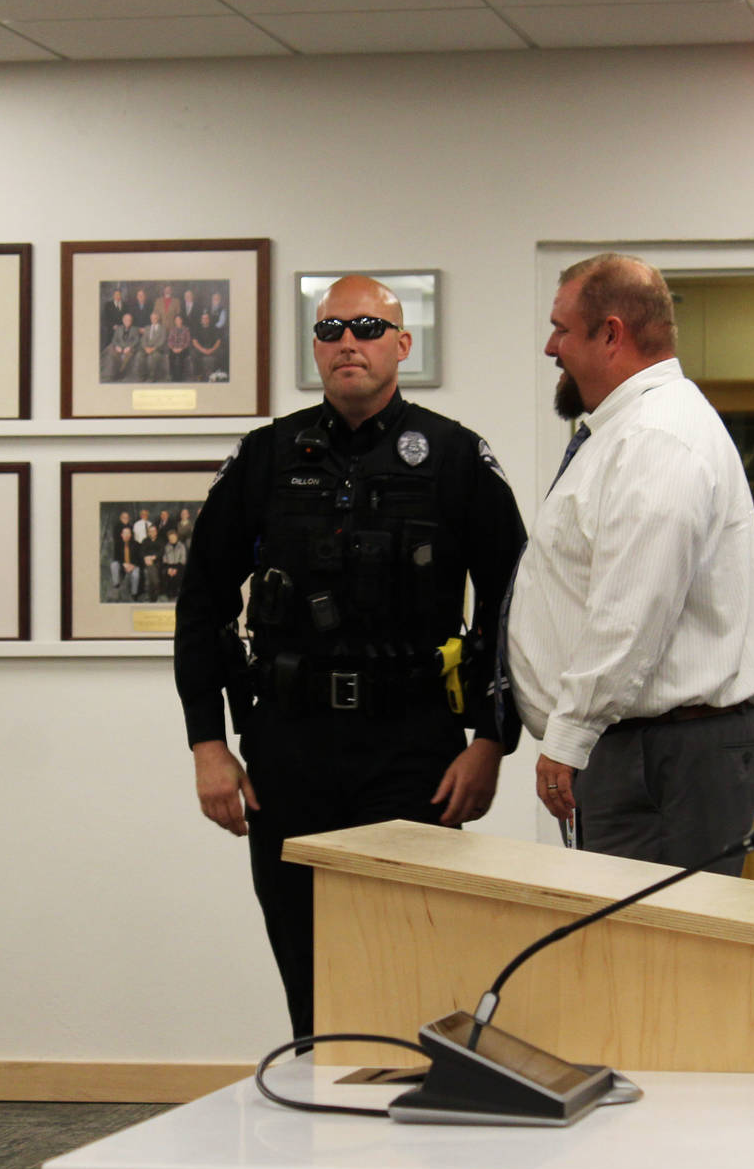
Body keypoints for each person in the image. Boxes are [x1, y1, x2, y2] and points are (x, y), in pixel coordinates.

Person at [174, 274, 527, 1039]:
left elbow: (511, 602)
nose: (347, 343)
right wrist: (207, 740)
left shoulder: (455, 456)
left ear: (402, 345)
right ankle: (315, 1117)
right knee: (305, 963)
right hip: (290, 747)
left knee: (411, 957)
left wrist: (494, 740)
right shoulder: (266, 458)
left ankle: (406, 1129)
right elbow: (202, 597)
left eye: (367, 327)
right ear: (315, 349)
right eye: (330, 329)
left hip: (414, 747)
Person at [508, 252, 754, 871]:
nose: (551, 347)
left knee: (657, 962)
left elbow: (633, 608)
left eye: (562, 329)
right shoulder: (632, 430)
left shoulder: (656, 436)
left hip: (662, 755)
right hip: (647, 750)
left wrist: (569, 737)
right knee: (636, 958)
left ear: (610, 334)